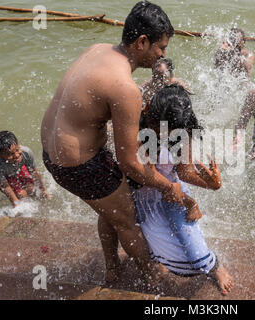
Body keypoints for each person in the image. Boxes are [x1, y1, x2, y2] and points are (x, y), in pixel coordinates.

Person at [41, 1, 187, 286]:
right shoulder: (125, 87)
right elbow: (129, 163)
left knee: (110, 209)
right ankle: (153, 276)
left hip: (52, 153)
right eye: (161, 48)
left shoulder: (97, 49)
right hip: (78, 165)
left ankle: (112, 268)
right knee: (128, 220)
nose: (163, 55)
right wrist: (169, 186)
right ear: (142, 42)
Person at [133, 84, 234, 295]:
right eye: (158, 130)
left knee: (197, 259)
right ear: (151, 113)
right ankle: (153, 262)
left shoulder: (182, 131)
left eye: (168, 134)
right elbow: (144, 174)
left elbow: (184, 172)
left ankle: (216, 266)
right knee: (168, 258)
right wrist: (190, 202)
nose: (161, 138)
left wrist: (211, 184)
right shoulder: (138, 123)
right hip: (146, 194)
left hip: (175, 194)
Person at [0, 131, 49, 207]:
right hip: (7, 175)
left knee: (31, 189)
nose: (16, 155)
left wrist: (43, 188)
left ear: (18, 145)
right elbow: (4, 185)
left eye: (17, 150)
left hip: (20, 167)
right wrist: (15, 202)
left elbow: (34, 172)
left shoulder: (26, 152)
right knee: (20, 195)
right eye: (10, 154)